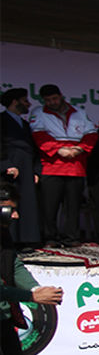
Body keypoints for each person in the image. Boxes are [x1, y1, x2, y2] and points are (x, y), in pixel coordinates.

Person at [0, 182, 66, 355]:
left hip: (3, 320)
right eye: (10, 210)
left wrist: (36, 289)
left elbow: (12, 265)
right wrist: (29, 298)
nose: (15, 216)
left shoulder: (3, 235)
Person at [30, 84, 96, 247]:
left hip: (76, 166)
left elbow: (91, 134)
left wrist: (80, 148)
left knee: (72, 206)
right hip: (52, 166)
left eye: (54, 98)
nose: (52, 102)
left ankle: (71, 238)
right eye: (48, 100)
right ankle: (50, 238)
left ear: (61, 96)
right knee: (49, 206)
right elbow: (39, 135)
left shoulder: (79, 112)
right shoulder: (39, 113)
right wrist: (58, 150)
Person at [0, 87, 41, 248]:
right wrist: (6, 164)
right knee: (9, 201)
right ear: (14, 102)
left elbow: (33, 148)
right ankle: (9, 240)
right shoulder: (2, 120)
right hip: (10, 164)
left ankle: (26, 239)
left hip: (26, 165)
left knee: (27, 202)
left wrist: (36, 170)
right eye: (25, 100)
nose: (28, 104)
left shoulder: (24, 124)